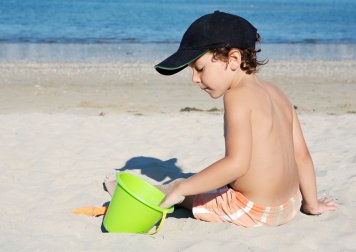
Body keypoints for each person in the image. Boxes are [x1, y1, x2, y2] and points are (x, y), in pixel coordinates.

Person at [104, 11, 337, 227]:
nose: (195, 79)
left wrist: (182, 188)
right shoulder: (277, 93)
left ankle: (146, 193)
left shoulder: (237, 97)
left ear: (233, 59)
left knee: (183, 187)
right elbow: (302, 157)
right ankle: (172, 186)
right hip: (290, 204)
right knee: (197, 179)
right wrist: (312, 204)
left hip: (253, 210)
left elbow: (236, 164)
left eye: (200, 68)